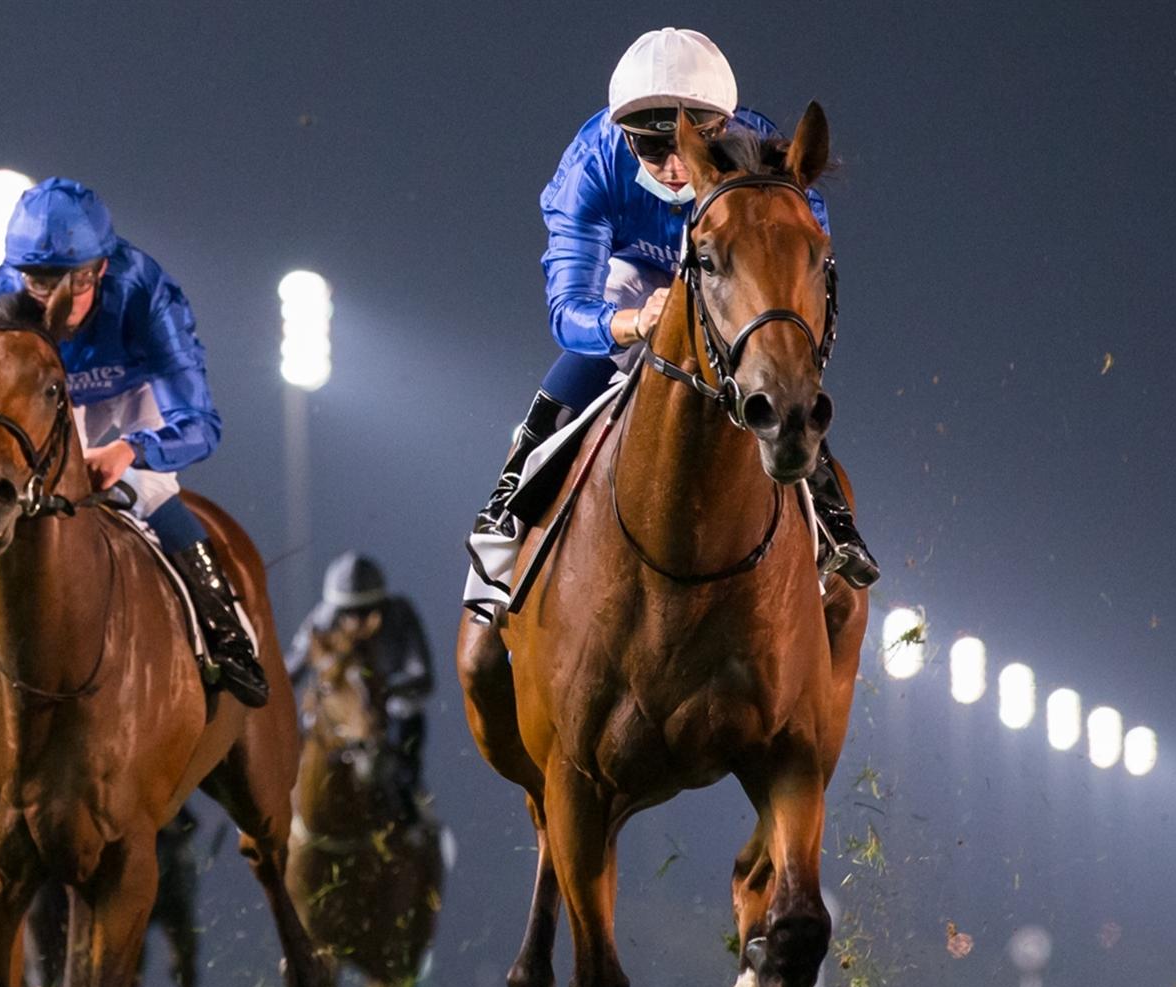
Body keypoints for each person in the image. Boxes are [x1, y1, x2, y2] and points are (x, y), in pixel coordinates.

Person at [470, 27, 878, 589]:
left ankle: (833, 519)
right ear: (622, 137)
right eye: (649, 145)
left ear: (723, 129)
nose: (673, 164)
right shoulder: (592, 167)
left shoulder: (766, 154)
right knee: (620, 284)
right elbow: (568, 311)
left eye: (689, 143)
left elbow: (803, 274)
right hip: (636, 285)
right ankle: (512, 493)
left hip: (729, 282)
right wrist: (635, 323)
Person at [0, 177, 267, 707]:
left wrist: (129, 450)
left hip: (136, 395)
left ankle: (224, 630)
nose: (52, 301)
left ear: (102, 268)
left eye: (73, 281)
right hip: (47, 397)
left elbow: (201, 423)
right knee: (15, 497)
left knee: (147, 491)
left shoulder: (148, 294)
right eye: (39, 283)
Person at [287, 552, 433, 813]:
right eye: (348, 612)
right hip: (336, 712)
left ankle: (410, 807)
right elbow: (290, 672)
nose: (357, 621)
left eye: (365, 611)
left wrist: (384, 689)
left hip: (388, 710)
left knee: (406, 717)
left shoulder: (399, 615)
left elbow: (423, 675)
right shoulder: (322, 621)